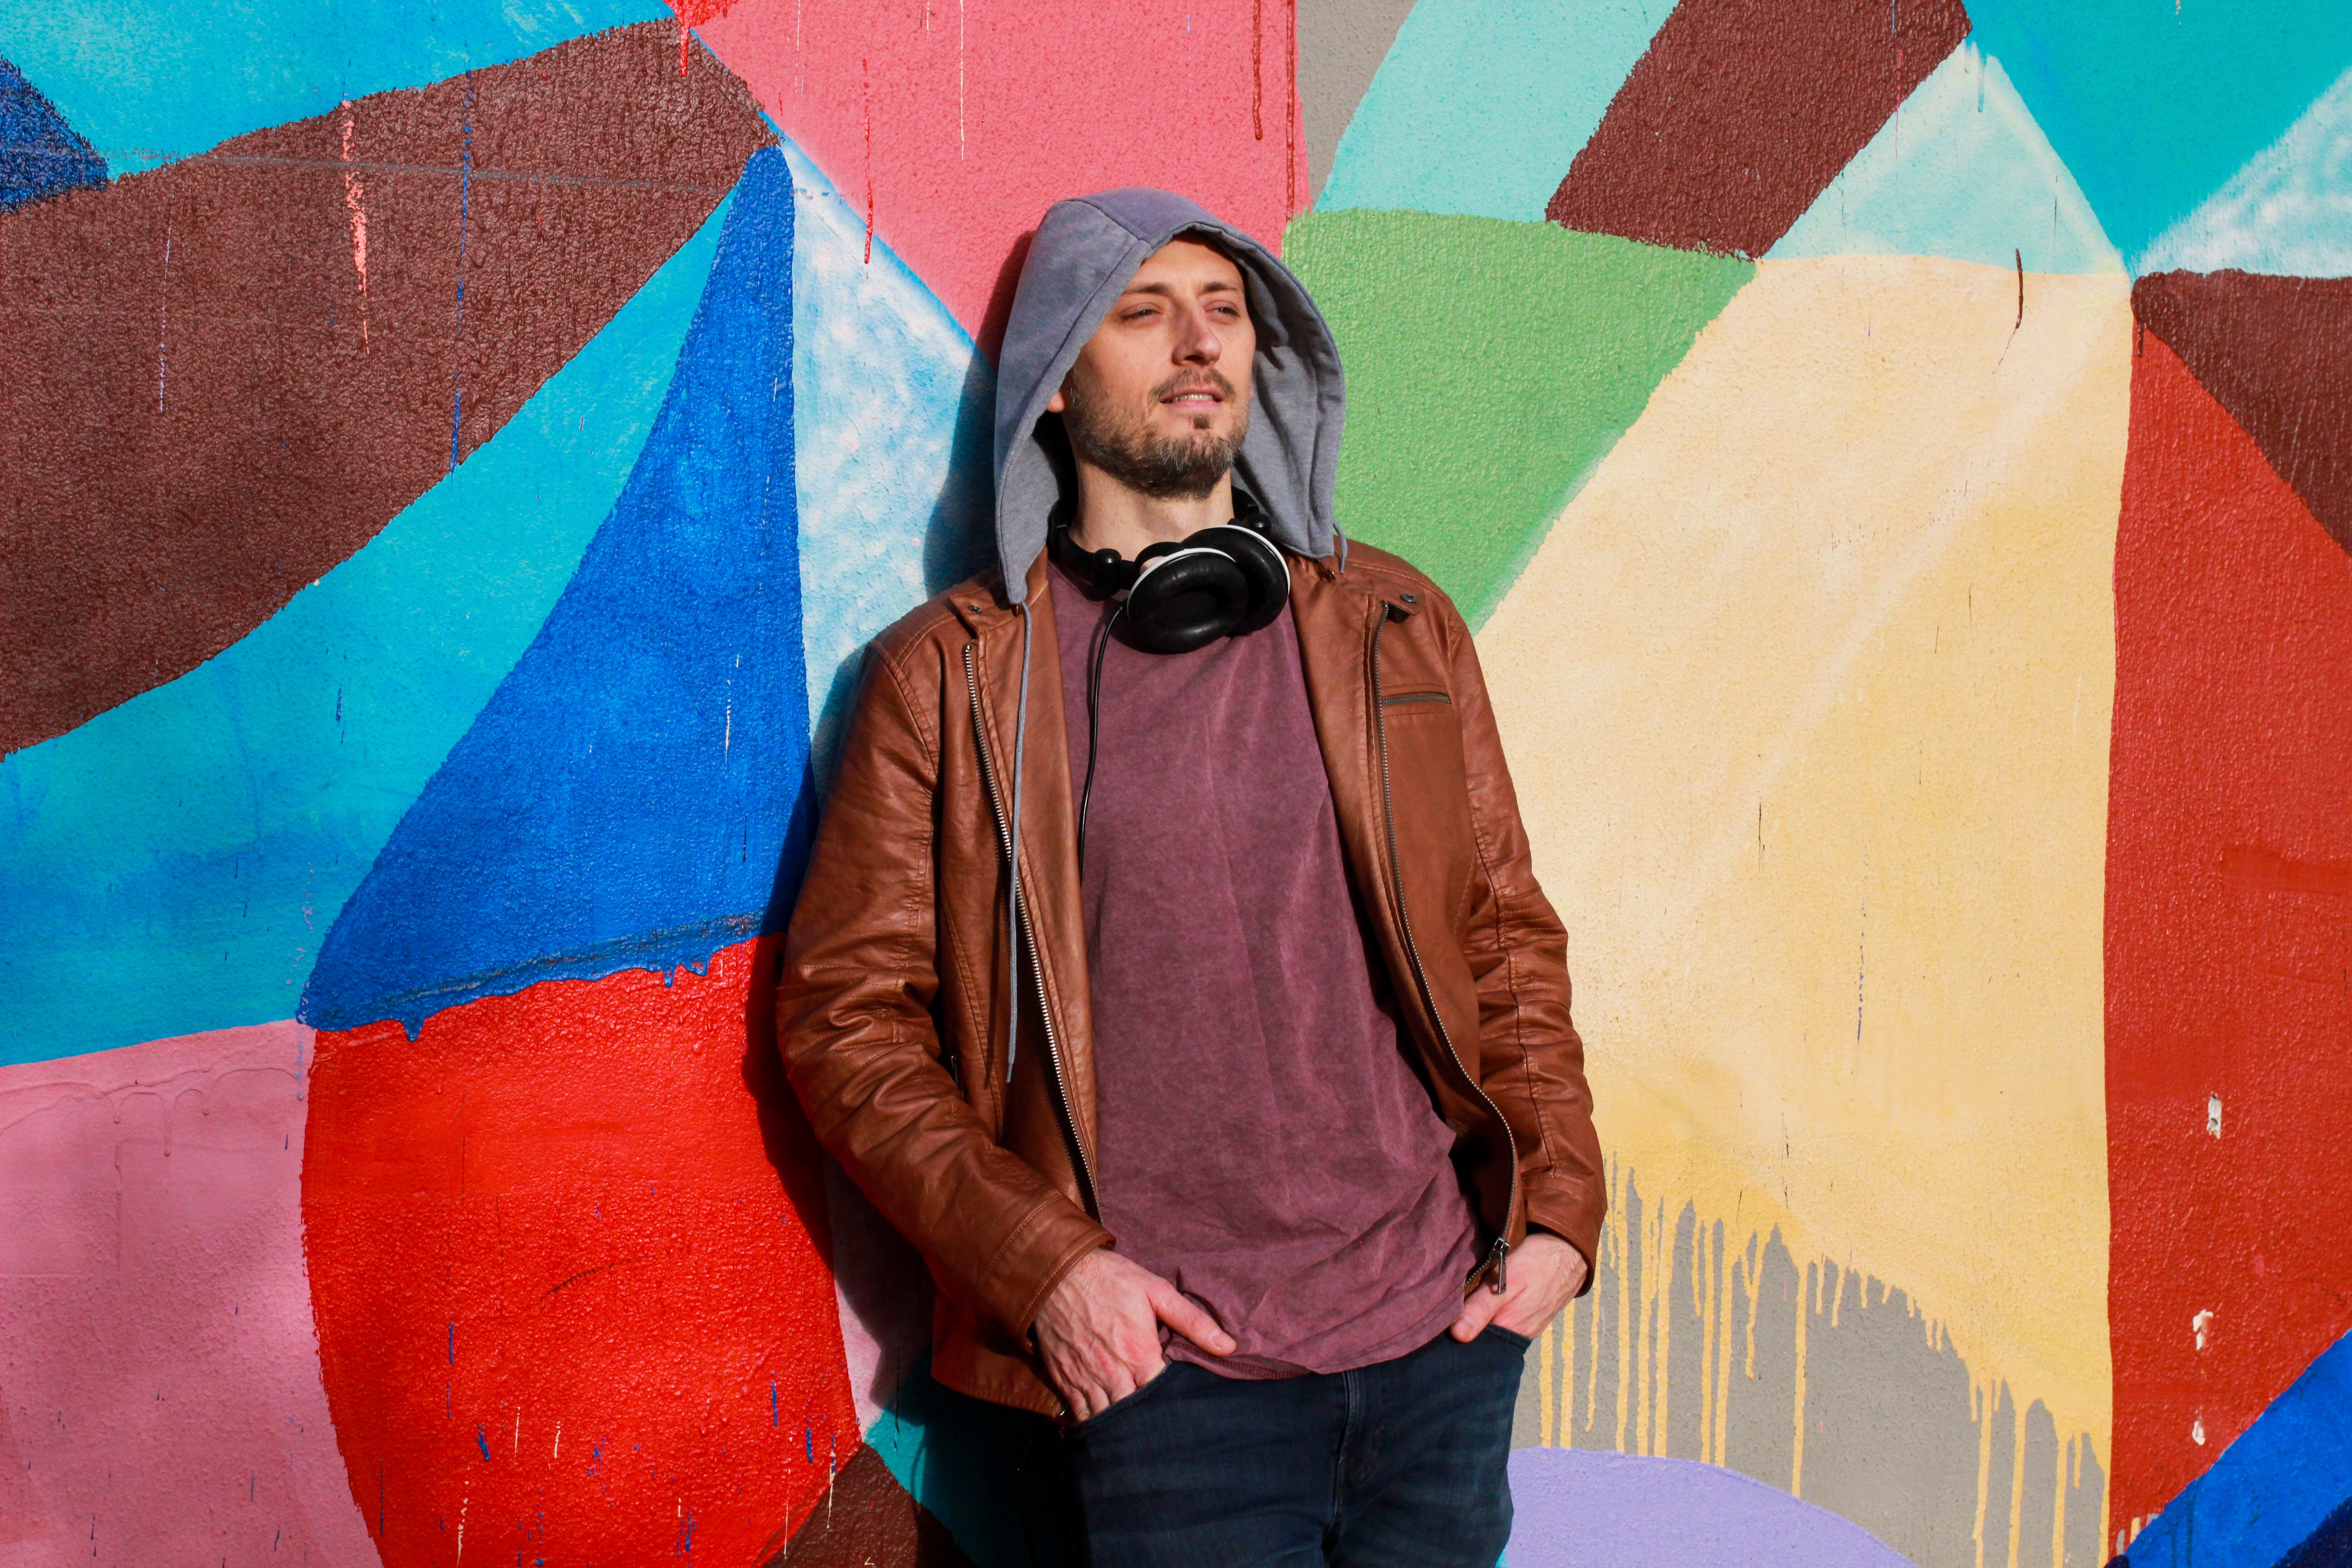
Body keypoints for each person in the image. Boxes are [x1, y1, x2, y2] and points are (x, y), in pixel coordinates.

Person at [777, 188, 1606, 1567]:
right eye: (1144, 313)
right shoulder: (950, 679)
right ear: (1055, 381)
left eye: (1224, 311)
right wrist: (1049, 1271)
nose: (1200, 342)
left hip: (1441, 1342)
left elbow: (1503, 934)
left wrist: (1559, 1213)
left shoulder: (1395, 627)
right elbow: (846, 1020)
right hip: (1167, 1387)